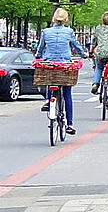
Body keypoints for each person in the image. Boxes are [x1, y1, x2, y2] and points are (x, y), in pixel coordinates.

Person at [36, 7, 89, 135]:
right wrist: (84, 55)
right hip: (65, 63)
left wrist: (38, 56)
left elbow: (40, 47)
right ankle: (70, 124)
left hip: (49, 61)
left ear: (54, 18)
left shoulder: (46, 32)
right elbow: (76, 46)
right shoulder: (69, 32)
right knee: (67, 94)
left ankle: (49, 102)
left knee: (50, 79)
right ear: (66, 19)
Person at [89, 11, 108, 94]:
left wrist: (91, 51)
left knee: (99, 68)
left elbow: (94, 41)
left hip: (100, 53)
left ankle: (95, 83)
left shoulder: (98, 29)